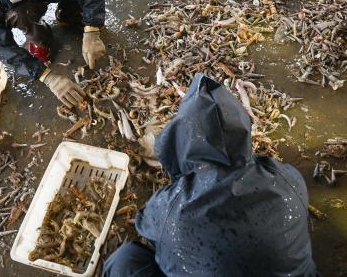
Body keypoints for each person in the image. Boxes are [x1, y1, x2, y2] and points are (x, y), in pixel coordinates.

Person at [103, 74, 317, 277]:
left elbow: (145, 225)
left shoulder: (172, 206)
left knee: (124, 261)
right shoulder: (288, 178)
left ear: (182, 139)